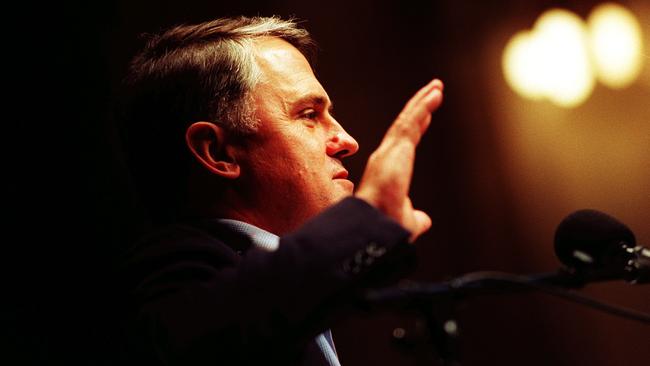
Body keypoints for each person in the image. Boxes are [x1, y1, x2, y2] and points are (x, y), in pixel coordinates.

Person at [117, 15, 444, 366]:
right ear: (218, 152)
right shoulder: (158, 287)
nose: (347, 141)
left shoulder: (289, 295)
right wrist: (366, 224)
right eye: (308, 114)